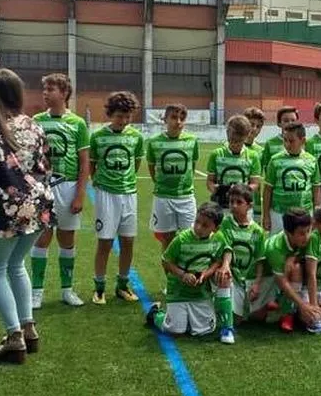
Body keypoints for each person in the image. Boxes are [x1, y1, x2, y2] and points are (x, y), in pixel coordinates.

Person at [0, 68, 55, 364]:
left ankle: (14, 337)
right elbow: (46, 166)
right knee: (17, 265)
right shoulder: (33, 125)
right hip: (38, 205)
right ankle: (28, 328)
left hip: (4, 209)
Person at [30, 73, 90, 309]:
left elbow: (84, 162)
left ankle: (67, 290)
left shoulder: (77, 123)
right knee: (42, 238)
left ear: (64, 93)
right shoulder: (36, 120)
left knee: (66, 239)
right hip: (43, 186)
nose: (45, 93)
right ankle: (36, 292)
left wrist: (80, 194)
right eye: (44, 89)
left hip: (68, 186)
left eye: (51, 89)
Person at [146, 203, 231, 342]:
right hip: (178, 292)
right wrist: (183, 275)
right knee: (175, 331)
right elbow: (166, 261)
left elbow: (218, 260)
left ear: (215, 228)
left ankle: (213, 315)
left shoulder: (218, 238)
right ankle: (155, 314)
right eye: (197, 222)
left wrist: (206, 274)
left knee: (206, 330)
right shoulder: (182, 239)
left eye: (205, 225)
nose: (199, 227)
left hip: (200, 293)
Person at [90, 91, 143, 305]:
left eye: (128, 116)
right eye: (120, 116)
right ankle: (99, 288)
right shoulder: (97, 137)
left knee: (128, 241)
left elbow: (136, 163)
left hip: (129, 193)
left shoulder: (136, 137)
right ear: (110, 114)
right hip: (106, 194)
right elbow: (92, 165)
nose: (124, 120)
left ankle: (122, 285)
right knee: (105, 242)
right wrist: (102, 183)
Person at [213, 185, 273, 335]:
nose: (234, 206)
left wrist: (257, 284)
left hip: (250, 278)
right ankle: (221, 304)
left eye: (239, 202)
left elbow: (260, 260)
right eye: (231, 202)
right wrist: (226, 266)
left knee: (258, 318)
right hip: (233, 277)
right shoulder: (225, 224)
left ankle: (267, 304)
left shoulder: (257, 231)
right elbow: (225, 250)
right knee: (236, 320)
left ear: (249, 206)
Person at [146, 103, 199, 249]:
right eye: (174, 117)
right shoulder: (154, 142)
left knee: (190, 238)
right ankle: (168, 265)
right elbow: (151, 168)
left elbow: (192, 166)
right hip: (163, 198)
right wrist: (160, 184)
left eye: (182, 118)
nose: (178, 122)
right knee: (167, 239)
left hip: (186, 197)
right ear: (165, 119)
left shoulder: (192, 141)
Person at [263, 208, 321, 333]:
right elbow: (282, 283)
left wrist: (294, 257)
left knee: (296, 267)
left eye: (308, 231)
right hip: (268, 278)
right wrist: (303, 306)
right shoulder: (275, 248)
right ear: (288, 232)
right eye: (301, 233)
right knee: (253, 317)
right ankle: (285, 309)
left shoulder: (310, 239)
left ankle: (288, 310)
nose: (307, 237)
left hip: (290, 278)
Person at [262, 122, 321, 234]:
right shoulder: (275, 160)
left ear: (302, 141)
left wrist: (316, 215)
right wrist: (266, 215)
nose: (287, 144)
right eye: (285, 140)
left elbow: (316, 189)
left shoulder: (312, 161)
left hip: (304, 213)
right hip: (279, 213)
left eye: (291, 141)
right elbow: (268, 189)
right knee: (279, 243)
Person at [207, 115, 260, 216]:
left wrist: (240, 191)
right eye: (232, 139)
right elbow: (210, 181)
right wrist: (218, 190)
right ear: (227, 133)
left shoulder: (253, 156)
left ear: (247, 136)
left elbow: (255, 183)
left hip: (243, 206)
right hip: (220, 206)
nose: (235, 144)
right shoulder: (216, 154)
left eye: (239, 141)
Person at [242, 107, 267, 222]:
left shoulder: (261, 151)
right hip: (234, 201)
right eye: (251, 124)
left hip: (254, 201)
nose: (254, 129)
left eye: (258, 126)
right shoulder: (230, 147)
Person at [259, 105, 299, 173]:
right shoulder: (270, 143)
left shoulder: (302, 143)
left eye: (293, 120)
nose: (290, 123)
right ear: (279, 123)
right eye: (286, 121)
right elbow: (266, 168)